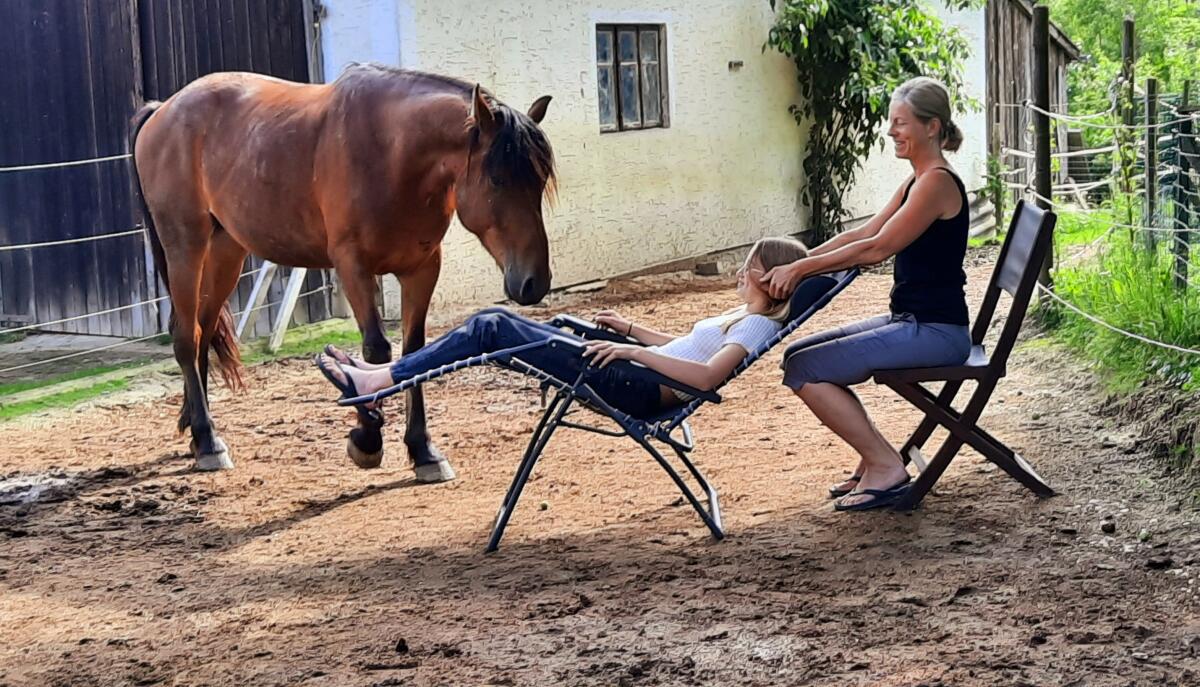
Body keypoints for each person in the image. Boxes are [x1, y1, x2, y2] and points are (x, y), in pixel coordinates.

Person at [759, 76, 972, 512]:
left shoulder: (936, 183)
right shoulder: (920, 179)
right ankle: (877, 458)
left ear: (932, 127)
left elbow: (877, 249)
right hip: (913, 322)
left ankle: (884, 465)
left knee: (805, 367)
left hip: (935, 332)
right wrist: (798, 263)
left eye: (900, 122)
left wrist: (799, 268)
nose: (891, 131)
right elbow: (864, 232)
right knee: (801, 354)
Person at [317, 237, 809, 419]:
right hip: (631, 369)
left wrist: (632, 355)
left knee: (491, 325)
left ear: (773, 280)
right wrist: (631, 330)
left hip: (635, 387)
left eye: (750, 268)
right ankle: (382, 378)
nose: (741, 275)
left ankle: (379, 382)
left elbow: (703, 379)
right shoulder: (742, 318)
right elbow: (685, 350)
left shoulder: (757, 330)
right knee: (516, 324)